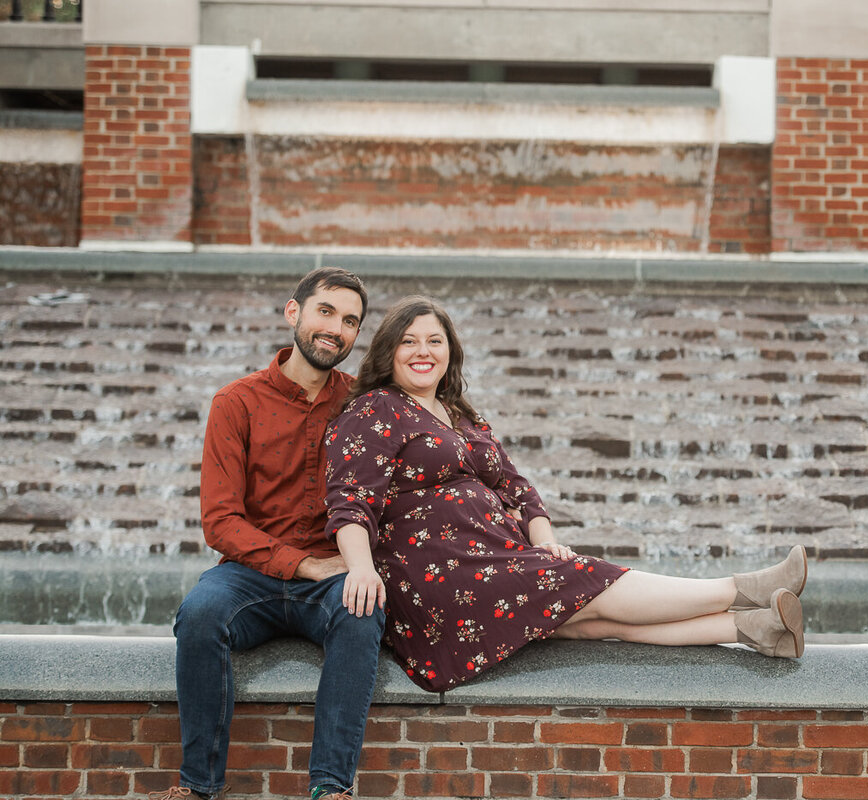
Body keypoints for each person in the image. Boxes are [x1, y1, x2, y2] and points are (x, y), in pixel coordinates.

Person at [322, 295, 808, 694]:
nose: (421, 350)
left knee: (591, 620)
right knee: (590, 582)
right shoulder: (375, 409)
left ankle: (755, 631)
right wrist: (361, 568)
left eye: (434, 340)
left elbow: (518, 489)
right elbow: (350, 499)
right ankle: (742, 589)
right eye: (408, 341)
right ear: (389, 352)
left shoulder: (461, 415)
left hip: (496, 556)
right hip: (441, 574)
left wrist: (545, 537)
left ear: (450, 351)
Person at [154, 268, 384, 800]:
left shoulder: (363, 405)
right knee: (200, 614)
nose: (337, 329)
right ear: (293, 312)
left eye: (351, 321)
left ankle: (330, 789)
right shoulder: (236, 402)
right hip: (249, 576)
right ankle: (199, 788)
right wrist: (304, 564)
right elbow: (220, 521)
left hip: (334, 574)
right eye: (325, 311)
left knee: (362, 610)